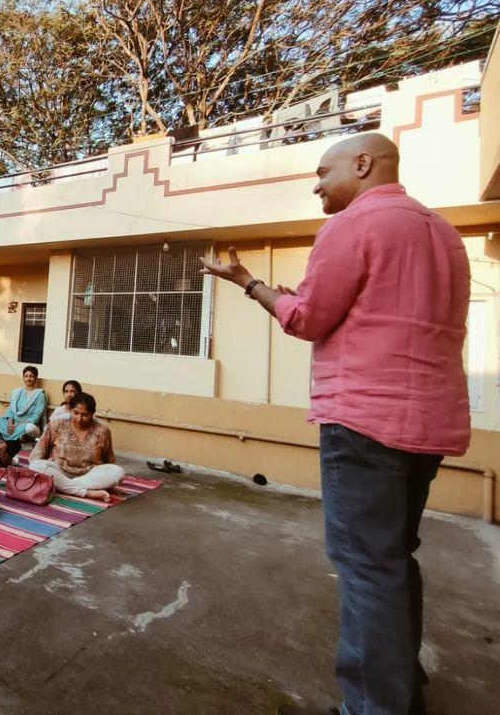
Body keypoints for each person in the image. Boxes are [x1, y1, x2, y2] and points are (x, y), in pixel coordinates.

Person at [200, 133, 471, 715]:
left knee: (366, 568)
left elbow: (305, 317)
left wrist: (247, 283)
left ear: (364, 164)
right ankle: (401, 686)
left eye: (324, 171)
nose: (317, 183)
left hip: (364, 420)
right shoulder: (444, 234)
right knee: (394, 557)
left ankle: (374, 705)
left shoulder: (351, 226)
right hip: (429, 420)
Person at [29, 392, 124, 502]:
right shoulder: (57, 424)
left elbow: (109, 459)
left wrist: (109, 483)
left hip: (89, 475)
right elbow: (40, 449)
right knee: (36, 465)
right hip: (59, 470)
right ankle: (86, 492)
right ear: (70, 410)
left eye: (85, 415)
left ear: (92, 413)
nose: (79, 419)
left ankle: (62, 486)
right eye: (76, 413)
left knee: (118, 472)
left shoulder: (102, 430)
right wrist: (35, 474)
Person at [0, 365, 47, 446]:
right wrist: (10, 424)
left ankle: (12, 435)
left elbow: (35, 417)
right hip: (13, 423)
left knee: (29, 428)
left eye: (31, 376)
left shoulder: (39, 394)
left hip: (29, 425)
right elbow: (11, 411)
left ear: (35, 378)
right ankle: (18, 436)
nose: (28, 379)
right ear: (23, 378)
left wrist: (16, 426)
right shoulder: (16, 393)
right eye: (26, 376)